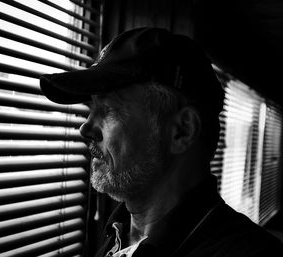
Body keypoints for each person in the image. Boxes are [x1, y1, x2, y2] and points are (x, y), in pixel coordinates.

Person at [39, 27, 283, 257]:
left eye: (109, 109)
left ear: (182, 131)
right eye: (91, 108)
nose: (86, 128)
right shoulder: (118, 234)